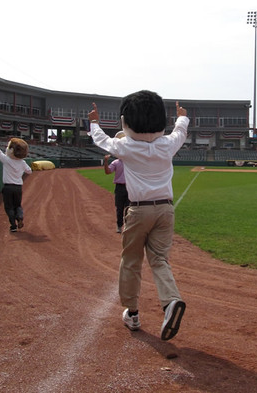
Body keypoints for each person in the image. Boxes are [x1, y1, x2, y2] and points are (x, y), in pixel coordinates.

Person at [88, 90, 189, 341]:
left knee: (132, 261)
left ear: (125, 122)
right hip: (166, 209)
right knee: (159, 260)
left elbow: (101, 141)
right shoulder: (167, 145)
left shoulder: (125, 146)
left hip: (139, 209)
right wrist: (182, 117)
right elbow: (180, 132)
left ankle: (132, 313)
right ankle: (170, 302)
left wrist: (93, 122)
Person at [0, 132, 32, 232]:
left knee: (9, 207)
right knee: (18, 205)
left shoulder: (6, 160)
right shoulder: (22, 162)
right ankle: (20, 217)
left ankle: (13, 226)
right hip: (18, 187)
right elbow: (29, 171)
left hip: (8, 187)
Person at [103, 132, 130, 233]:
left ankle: (127, 226)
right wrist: (105, 162)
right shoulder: (116, 163)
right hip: (120, 188)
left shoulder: (131, 161)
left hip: (129, 187)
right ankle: (119, 225)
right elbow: (107, 172)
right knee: (119, 208)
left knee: (129, 209)